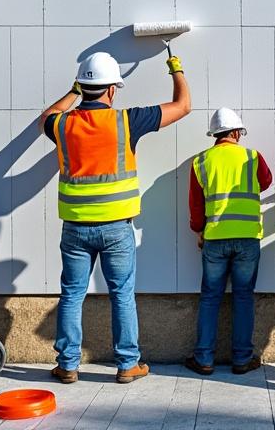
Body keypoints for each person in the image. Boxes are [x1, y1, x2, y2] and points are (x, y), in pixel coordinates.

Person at [38, 50, 190, 385]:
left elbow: (46, 115)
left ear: (85, 86)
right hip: (116, 228)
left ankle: (67, 365)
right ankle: (126, 365)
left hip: (75, 229)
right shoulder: (126, 121)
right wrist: (175, 66)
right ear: (111, 90)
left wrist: (74, 91)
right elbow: (182, 106)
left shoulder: (61, 124)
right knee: (122, 294)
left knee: (72, 294)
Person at [183, 107, 273, 377]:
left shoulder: (201, 161)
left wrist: (199, 230)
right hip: (247, 239)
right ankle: (242, 359)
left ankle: (204, 359)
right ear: (236, 132)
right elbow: (266, 182)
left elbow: (196, 205)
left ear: (215, 134)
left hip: (215, 238)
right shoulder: (253, 157)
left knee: (210, 297)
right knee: (243, 297)